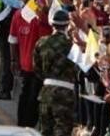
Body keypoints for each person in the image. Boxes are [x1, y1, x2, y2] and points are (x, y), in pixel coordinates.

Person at [33, 8, 79, 136]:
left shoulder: (41, 42)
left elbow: (36, 69)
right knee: (62, 130)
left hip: (46, 91)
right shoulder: (71, 45)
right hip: (65, 94)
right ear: (67, 25)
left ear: (52, 24)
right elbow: (79, 69)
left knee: (45, 130)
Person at [9, 0, 52, 127]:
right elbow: (13, 40)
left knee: (27, 96)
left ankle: (24, 126)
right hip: (30, 67)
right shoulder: (23, 16)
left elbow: (12, 41)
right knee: (30, 98)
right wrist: (14, 61)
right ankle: (26, 126)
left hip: (34, 67)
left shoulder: (36, 18)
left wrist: (14, 60)